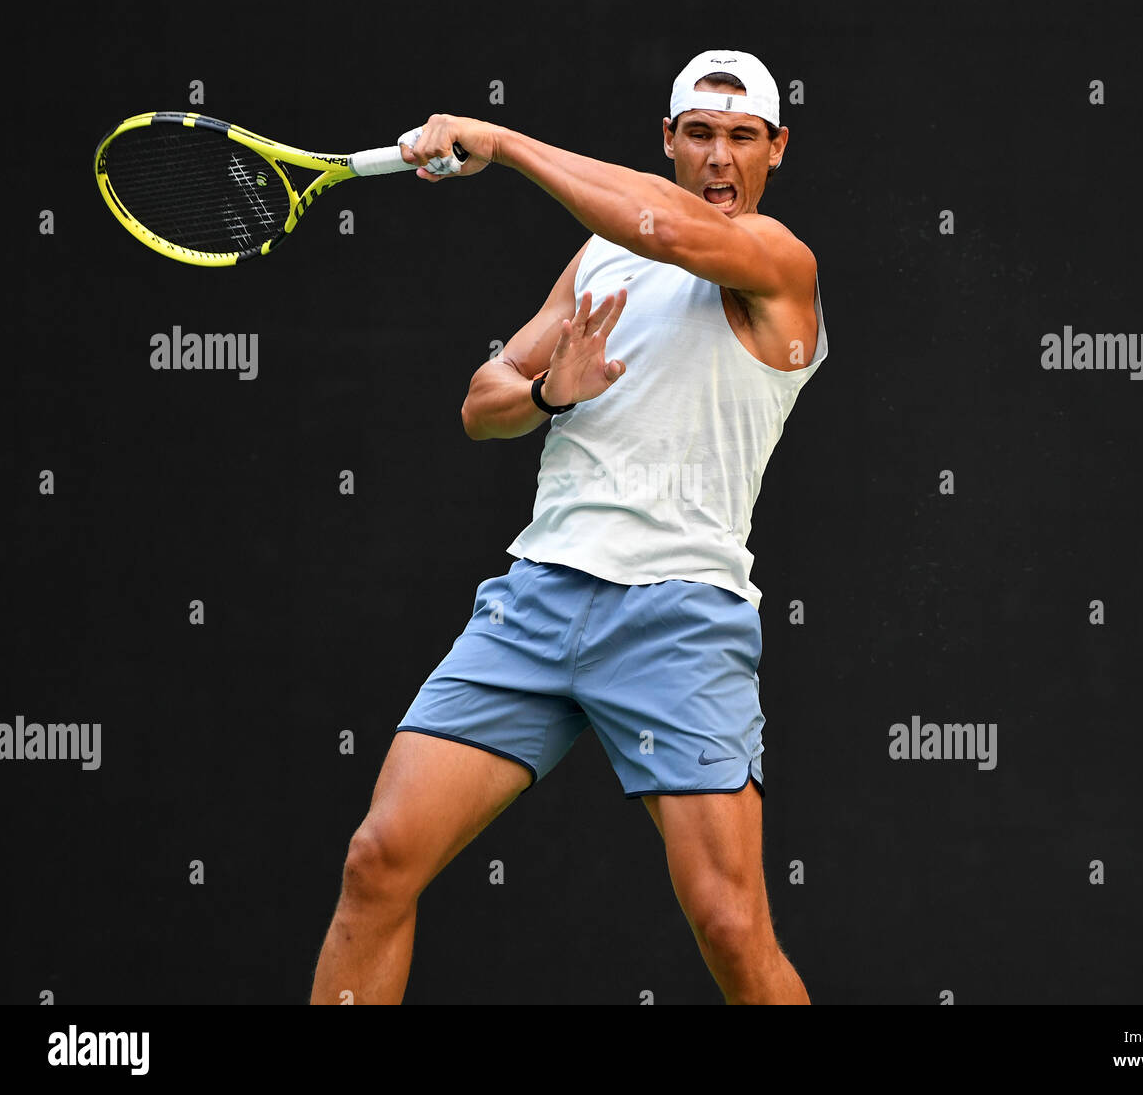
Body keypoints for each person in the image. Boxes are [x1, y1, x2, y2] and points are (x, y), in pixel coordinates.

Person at [310, 49, 827, 1005]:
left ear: (776, 149)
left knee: (730, 926)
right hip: (539, 599)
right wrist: (551, 392)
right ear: (667, 140)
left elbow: (658, 223)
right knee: (378, 861)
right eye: (700, 135)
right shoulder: (603, 259)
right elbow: (483, 401)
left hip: (680, 616)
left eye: (743, 137)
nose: (721, 159)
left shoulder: (778, 264)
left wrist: (499, 142)